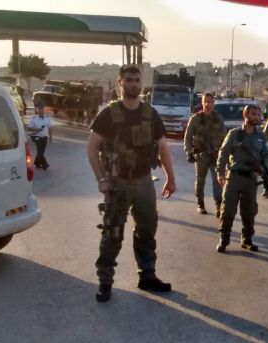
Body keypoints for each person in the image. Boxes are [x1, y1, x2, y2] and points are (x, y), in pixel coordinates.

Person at [86, 65, 177, 303]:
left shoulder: (150, 113)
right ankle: (105, 282)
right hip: (117, 181)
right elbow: (92, 147)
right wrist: (102, 179)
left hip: (144, 180)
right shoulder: (110, 113)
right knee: (112, 233)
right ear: (120, 83)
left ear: (142, 83)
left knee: (148, 229)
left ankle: (147, 276)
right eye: (129, 80)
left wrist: (171, 177)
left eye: (137, 80)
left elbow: (162, 147)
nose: (134, 84)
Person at [215, 104, 268, 253]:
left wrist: (265, 174)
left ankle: (247, 240)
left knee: (249, 211)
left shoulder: (261, 136)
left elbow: (267, 157)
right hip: (233, 177)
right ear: (245, 116)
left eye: (259, 115)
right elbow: (223, 153)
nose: (258, 117)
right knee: (227, 210)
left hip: (250, 179)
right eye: (254, 114)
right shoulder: (234, 134)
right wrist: (220, 173)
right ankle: (224, 239)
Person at [184, 93, 227, 217]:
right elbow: (187, 137)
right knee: (200, 180)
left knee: (218, 180)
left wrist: (225, 155)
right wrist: (189, 152)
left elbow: (225, 138)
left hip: (215, 155)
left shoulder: (218, 118)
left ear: (213, 103)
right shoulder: (195, 118)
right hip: (201, 155)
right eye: (205, 101)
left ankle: (218, 205)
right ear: (202, 103)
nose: (207, 104)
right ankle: (200, 204)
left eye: (210, 101)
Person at [27, 100, 53, 170]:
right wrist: (37, 129)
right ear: (37, 110)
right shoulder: (33, 119)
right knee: (40, 151)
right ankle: (45, 165)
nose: (40, 111)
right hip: (36, 137)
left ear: (44, 110)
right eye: (39, 109)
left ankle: (37, 163)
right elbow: (29, 128)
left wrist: (50, 138)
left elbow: (50, 128)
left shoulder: (47, 119)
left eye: (41, 109)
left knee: (41, 151)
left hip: (44, 137)